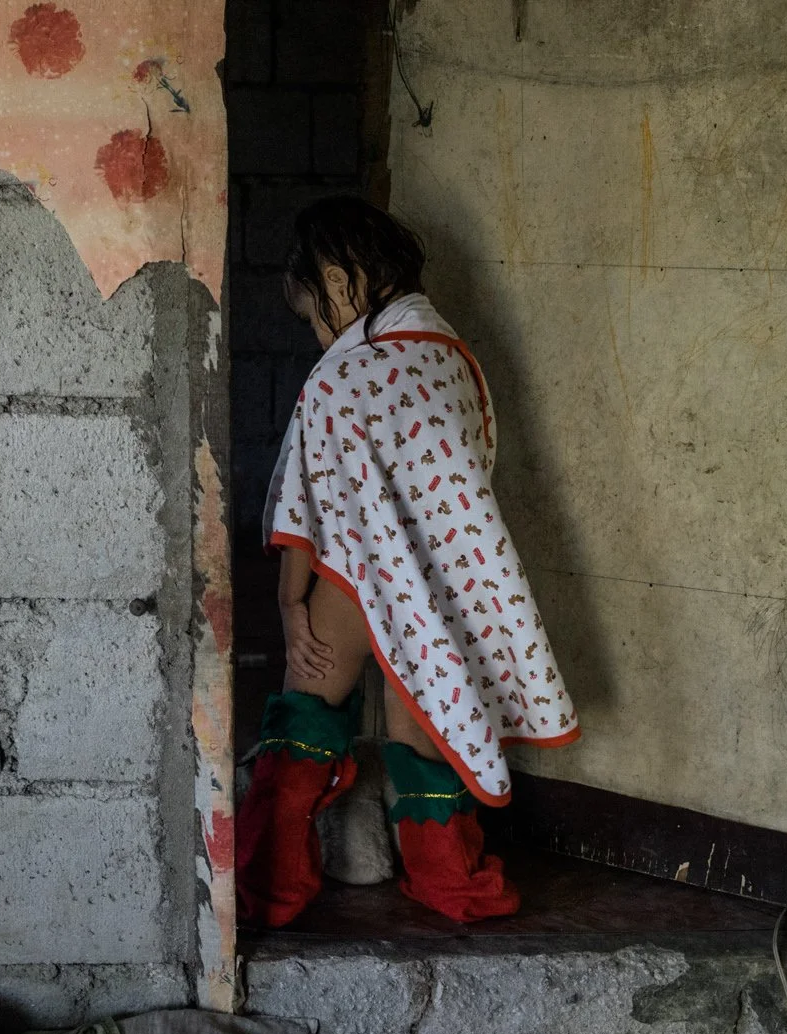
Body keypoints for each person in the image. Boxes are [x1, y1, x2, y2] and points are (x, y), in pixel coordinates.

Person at [240, 196, 578, 929]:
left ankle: (270, 886)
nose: (318, 337)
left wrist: (291, 604)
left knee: (303, 720)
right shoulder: (454, 359)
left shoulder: (340, 378)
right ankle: (453, 884)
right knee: (426, 735)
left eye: (314, 317)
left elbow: (307, 503)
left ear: (338, 283)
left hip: (352, 578)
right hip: (441, 585)